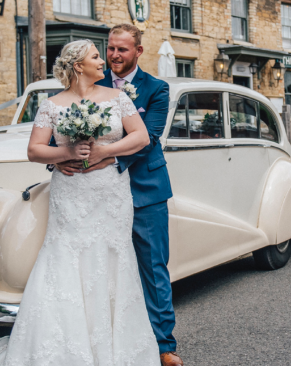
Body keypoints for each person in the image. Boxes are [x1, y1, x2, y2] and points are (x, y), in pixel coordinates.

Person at [0, 38, 161, 365]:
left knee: (112, 258)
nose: (102, 61)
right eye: (95, 57)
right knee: (64, 258)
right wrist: (67, 153)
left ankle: (115, 349)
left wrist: (105, 150)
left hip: (110, 193)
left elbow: (141, 136)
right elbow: (35, 149)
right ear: (78, 66)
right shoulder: (52, 104)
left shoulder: (117, 98)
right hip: (71, 193)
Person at [56, 24, 183, 366]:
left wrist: (105, 156)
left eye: (122, 50)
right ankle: (108, 344)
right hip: (96, 195)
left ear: (138, 51)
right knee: (103, 267)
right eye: (110, 48)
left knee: (152, 267)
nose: (113, 55)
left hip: (144, 190)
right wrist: (61, 160)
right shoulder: (90, 85)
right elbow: (62, 128)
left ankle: (163, 346)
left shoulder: (156, 88)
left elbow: (151, 136)